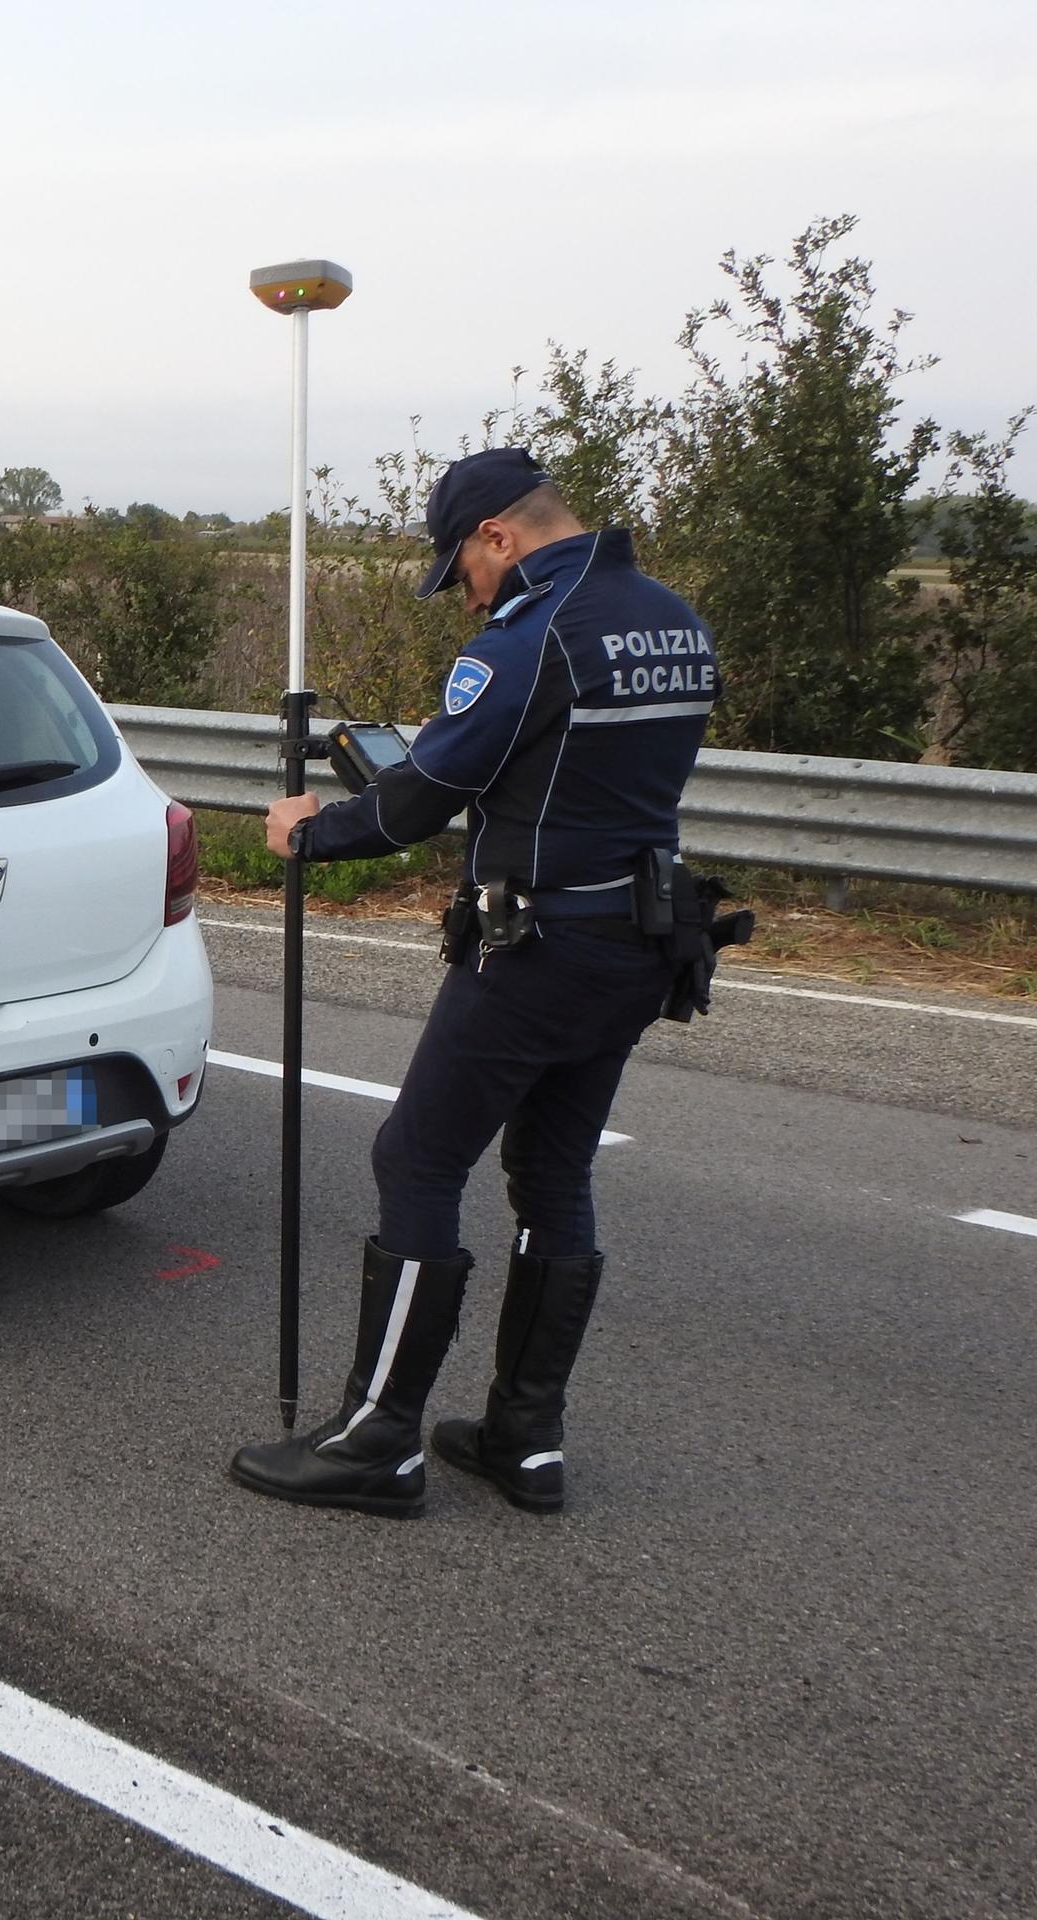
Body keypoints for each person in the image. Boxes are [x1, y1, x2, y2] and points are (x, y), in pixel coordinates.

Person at [228, 447, 721, 1518]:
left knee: (416, 1157)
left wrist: (314, 831)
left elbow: (426, 797)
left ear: (497, 535)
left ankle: (377, 1443)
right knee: (553, 1173)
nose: (464, 592)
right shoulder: (673, 618)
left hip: (536, 947)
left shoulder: (531, 633)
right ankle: (524, 1440)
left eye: (460, 569)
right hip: (644, 938)